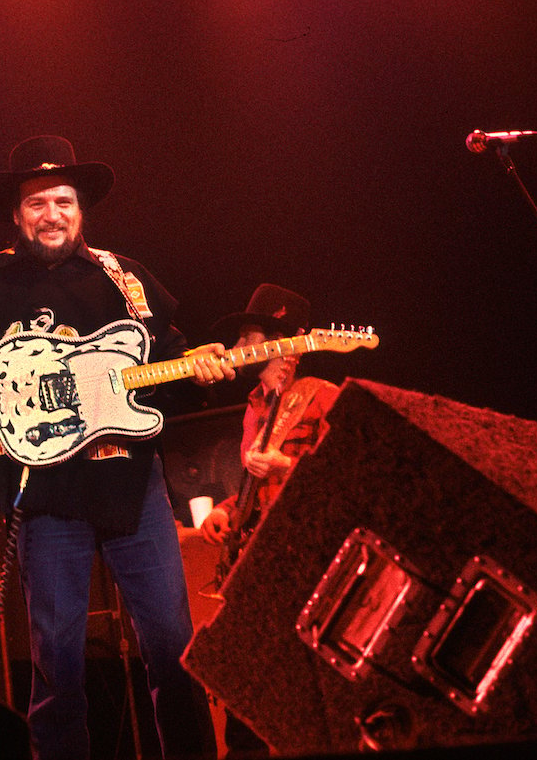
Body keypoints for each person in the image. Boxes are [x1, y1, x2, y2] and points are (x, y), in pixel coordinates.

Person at [0, 135, 235, 760]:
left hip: (131, 488)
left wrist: (195, 366)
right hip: (46, 496)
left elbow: (164, 357)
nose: (52, 214)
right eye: (37, 203)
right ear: (16, 214)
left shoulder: (126, 277)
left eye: (63, 201)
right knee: (56, 665)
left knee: (174, 650)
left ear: (80, 208)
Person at [196, 284, 340, 758]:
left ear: (283, 342)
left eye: (250, 335)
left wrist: (285, 467)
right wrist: (226, 511)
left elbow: (352, 477)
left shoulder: (322, 397)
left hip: (309, 564)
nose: (241, 348)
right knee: (248, 697)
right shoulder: (254, 408)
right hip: (259, 561)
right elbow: (252, 492)